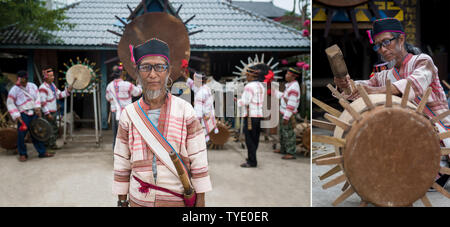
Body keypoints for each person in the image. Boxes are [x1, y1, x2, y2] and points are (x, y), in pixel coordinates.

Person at [334, 17, 450, 189]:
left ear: (401, 39)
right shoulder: (386, 74)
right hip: (410, 129)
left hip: (439, 126)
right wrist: (347, 84)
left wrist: (375, 91)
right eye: (378, 45)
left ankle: (437, 166)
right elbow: (364, 86)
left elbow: (414, 84)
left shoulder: (423, 61)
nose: (382, 49)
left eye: (386, 42)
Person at [112, 38, 212, 207]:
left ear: (168, 71)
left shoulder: (186, 111)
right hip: (139, 200)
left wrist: (200, 200)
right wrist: (122, 201)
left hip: (177, 199)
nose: (152, 74)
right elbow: (121, 161)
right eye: (145, 67)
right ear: (137, 72)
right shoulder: (128, 114)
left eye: (159, 67)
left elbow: (199, 158)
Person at [7, 70, 54, 162]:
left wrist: (37, 108)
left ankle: (42, 152)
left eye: (24, 79)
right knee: (21, 135)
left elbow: (38, 97)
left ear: (26, 78)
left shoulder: (33, 86)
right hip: (23, 114)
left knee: (37, 133)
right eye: (20, 79)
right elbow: (10, 103)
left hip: (34, 113)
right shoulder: (14, 89)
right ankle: (23, 154)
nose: (22, 81)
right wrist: (17, 115)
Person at [105, 64, 142, 150]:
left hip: (115, 113)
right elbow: (137, 92)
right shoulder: (127, 85)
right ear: (121, 74)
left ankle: (116, 154)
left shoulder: (109, 86)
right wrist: (139, 84)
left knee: (116, 135)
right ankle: (127, 154)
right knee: (128, 135)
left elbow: (108, 98)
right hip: (126, 113)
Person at [237, 63, 267, 168]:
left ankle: (252, 161)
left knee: (249, 139)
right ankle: (252, 157)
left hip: (250, 116)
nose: (246, 77)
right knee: (255, 138)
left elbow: (245, 101)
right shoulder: (262, 86)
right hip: (259, 115)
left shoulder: (249, 87)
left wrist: (238, 101)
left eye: (247, 75)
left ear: (250, 75)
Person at [39, 65, 73, 150]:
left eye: (53, 76)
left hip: (53, 111)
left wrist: (67, 91)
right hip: (49, 112)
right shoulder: (43, 88)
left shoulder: (52, 86)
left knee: (53, 129)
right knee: (48, 129)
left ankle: (52, 145)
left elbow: (59, 95)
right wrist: (47, 113)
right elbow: (43, 103)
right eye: (51, 76)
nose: (53, 77)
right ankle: (48, 147)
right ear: (46, 77)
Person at [273, 67, 301, 160]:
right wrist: (274, 91)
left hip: (288, 113)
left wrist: (286, 117)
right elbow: (284, 96)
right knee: (282, 132)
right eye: (286, 74)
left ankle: (291, 152)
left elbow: (291, 104)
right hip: (284, 112)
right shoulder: (289, 85)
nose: (286, 75)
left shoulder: (294, 88)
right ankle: (283, 149)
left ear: (293, 76)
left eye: (288, 74)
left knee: (288, 133)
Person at [184, 71, 217, 142]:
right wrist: (185, 77)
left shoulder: (203, 91)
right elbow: (192, 85)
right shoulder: (201, 88)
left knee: (200, 136)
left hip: (203, 115)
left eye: (195, 79)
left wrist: (204, 115)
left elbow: (204, 106)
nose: (194, 81)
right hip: (202, 114)